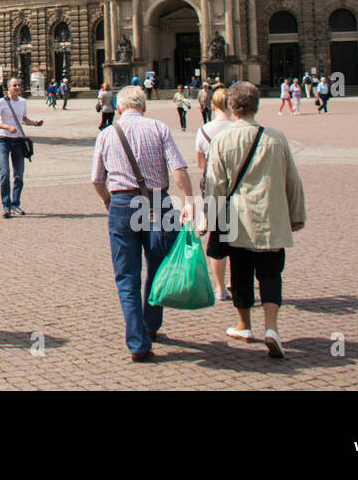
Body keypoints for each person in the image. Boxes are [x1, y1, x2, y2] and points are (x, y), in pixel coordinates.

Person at [90, 85, 195, 362]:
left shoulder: (107, 134)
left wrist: (107, 201)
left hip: (122, 204)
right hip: (158, 203)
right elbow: (179, 169)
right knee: (159, 268)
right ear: (144, 107)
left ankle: (137, 342)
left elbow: (97, 179)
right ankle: (151, 326)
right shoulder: (159, 128)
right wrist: (189, 201)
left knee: (126, 275)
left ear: (120, 109)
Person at [204, 82, 306, 358]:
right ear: (256, 106)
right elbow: (292, 181)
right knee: (271, 274)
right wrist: (297, 215)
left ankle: (244, 325)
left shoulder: (222, 140)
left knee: (240, 274)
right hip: (271, 220)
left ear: (231, 107)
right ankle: (271, 328)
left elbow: (215, 185)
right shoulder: (276, 137)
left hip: (237, 222)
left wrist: (209, 219)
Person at [194, 85, 234, 300]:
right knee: (240, 237)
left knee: (218, 237)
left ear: (212, 104)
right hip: (240, 189)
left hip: (212, 187)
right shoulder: (241, 128)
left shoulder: (204, 130)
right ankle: (237, 281)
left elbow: (201, 164)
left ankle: (219, 288)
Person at [0, 77, 44, 217]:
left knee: (19, 175)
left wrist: (35, 123)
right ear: (9, 88)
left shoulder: (23, 102)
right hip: (3, 141)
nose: (18, 87)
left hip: (18, 141)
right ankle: (6, 205)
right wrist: (6, 126)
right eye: (15, 85)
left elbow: (23, 119)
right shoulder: (1, 102)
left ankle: (15, 204)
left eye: (19, 85)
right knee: (5, 173)